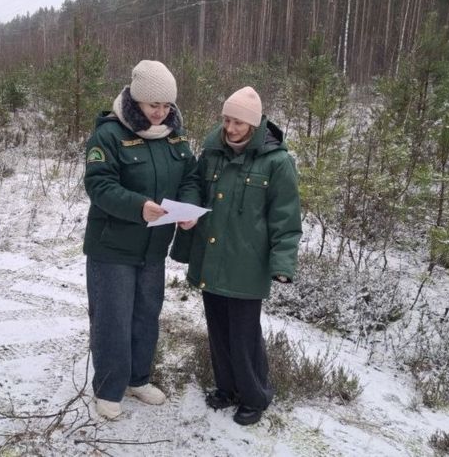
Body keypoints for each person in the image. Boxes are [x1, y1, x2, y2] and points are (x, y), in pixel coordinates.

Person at [172, 86, 302, 426]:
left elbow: (286, 219)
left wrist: (283, 264)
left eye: (239, 123)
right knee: (218, 331)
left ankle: (255, 397)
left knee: (244, 337)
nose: (230, 129)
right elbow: (196, 194)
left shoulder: (278, 162)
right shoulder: (212, 153)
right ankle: (227, 389)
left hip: (247, 265)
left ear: (255, 125)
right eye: (227, 120)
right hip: (211, 259)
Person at [82, 59, 200, 420]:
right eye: (153, 106)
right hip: (112, 247)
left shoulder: (175, 137)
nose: (160, 113)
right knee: (113, 317)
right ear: (136, 101)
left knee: (146, 315)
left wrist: (190, 208)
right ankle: (109, 387)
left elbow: (190, 178)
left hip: (153, 249)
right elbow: (99, 185)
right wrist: (139, 206)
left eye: (167, 106)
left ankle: (137, 378)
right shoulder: (109, 135)